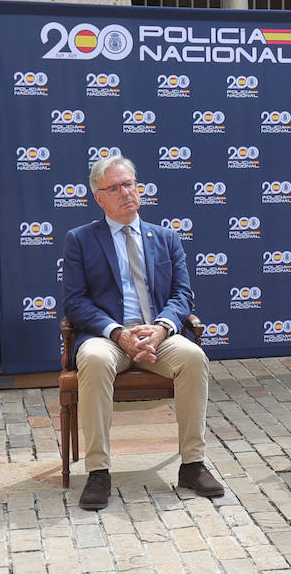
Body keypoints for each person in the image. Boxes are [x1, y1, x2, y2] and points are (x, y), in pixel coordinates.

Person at [61, 154, 223, 510]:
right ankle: (98, 472)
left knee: (194, 357)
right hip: (109, 337)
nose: (125, 193)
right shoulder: (81, 240)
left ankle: (193, 464)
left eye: (130, 184)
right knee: (92, 359)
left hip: (158, 335)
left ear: (140, 189)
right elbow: (75, 302)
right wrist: (118, 333)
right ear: (98, 197)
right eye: (115, 188)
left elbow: (183, 295)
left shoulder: (165, 237)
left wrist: (162, 329)